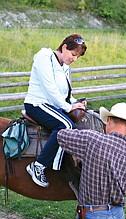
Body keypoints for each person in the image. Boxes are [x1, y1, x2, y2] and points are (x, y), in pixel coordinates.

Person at [57, 102, 126, 219]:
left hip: (93, 215)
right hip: (118, 215)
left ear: (108, 120)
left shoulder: (92, 140)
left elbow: (61, 135)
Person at [24, 34, 87, 188]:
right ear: (64, 47)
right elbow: (49, 89)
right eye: (73, 54)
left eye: (77, 57)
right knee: (66, 126)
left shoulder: (64, 66)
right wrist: (68, 107)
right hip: (37, 103)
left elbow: (66, 94)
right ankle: (38, 166)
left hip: (52, 105)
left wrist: (76, 103)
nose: (74, 59)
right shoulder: (44, 57)